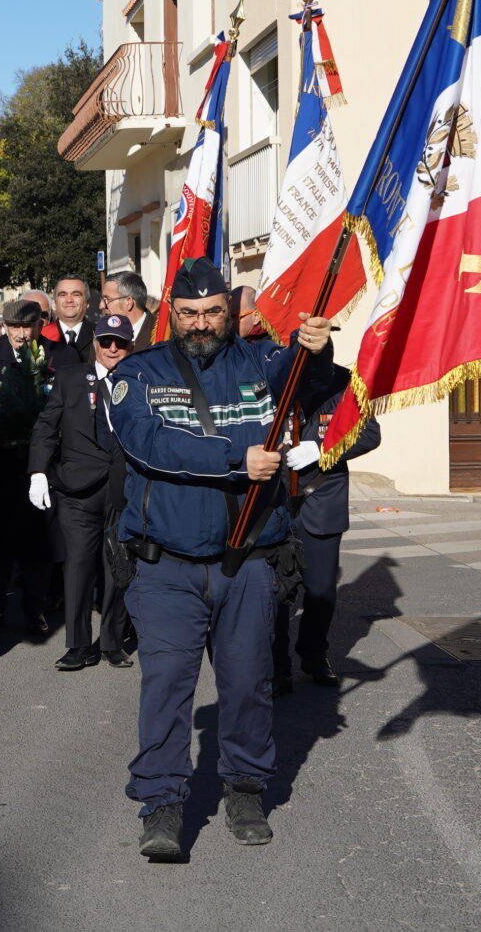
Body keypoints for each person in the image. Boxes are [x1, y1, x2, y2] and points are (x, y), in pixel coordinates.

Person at [105, 256, 336, 861]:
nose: (202, 323)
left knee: (248, 686)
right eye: (189, 313)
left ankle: (245, 788)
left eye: (213, 312)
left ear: (230, 312)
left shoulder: (261, 363)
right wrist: (237, 455)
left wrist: (317, 350)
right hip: (166, 567)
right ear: (170, 313)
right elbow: (148, 443)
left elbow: (314, 387)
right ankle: (161, 804)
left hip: (250, 563)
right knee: (166, 689)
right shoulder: (139, 372)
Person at [28, 312, 136, 671]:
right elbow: (46, 426)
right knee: (78, 566)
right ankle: (77, 644)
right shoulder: (72, 378)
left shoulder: (140, 381)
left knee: (117, 565)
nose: (113, 348)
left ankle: (111, 641)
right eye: (106, 341)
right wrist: (37, 473)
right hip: (77, 489)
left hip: (123, 488)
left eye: (120, 343)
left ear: (130, 346)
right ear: (95, 344)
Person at [271, 386, 381, 694]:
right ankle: (277, 666)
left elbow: (369, 434)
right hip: (276, 504)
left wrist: (321, 448)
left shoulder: (345, 390)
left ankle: (313, 654)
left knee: (321, 593)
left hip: (321, 503)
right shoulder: (272, 383)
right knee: (277, 592)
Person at [0, 298, 55, 635]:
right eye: (15, 327)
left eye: (28, 326)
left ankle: (35, 610)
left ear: (39, 326)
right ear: (4, 327)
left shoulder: (54, 357)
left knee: (37, 544)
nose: (21, 334)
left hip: (39, 466)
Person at [43, 276, 92, 368]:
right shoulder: (41, 336)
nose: (69, 300)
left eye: (76, 294)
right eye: (63, 295)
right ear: (55, 302)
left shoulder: (100, 335)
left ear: (87, 302)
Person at [99, 271, 155, 349]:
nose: (101, 306)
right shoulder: (100, 335)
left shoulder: (161, 334)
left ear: (128, 302)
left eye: (107, 299)